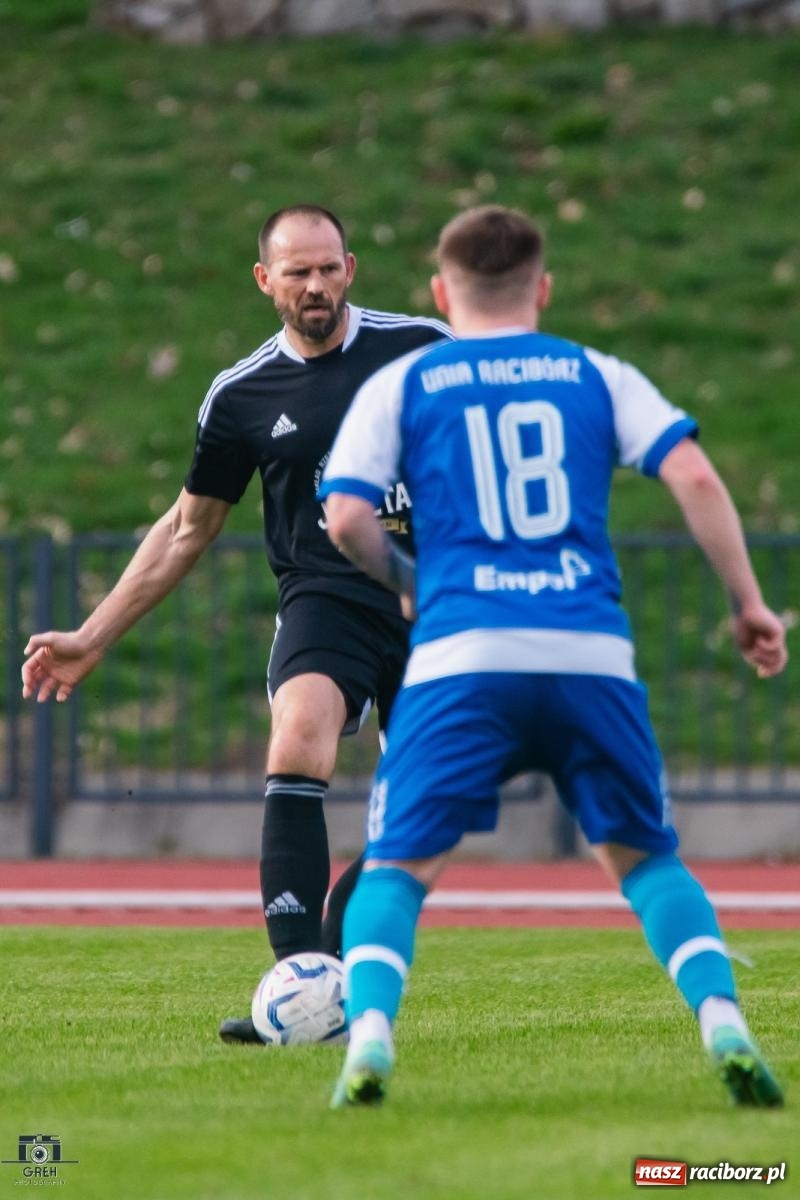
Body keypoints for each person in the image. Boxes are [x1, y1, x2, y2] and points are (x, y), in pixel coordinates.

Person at [318, 204, 787, 1109]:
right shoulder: (595, 374)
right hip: (586, 654)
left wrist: (408, 577)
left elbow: (344, 516)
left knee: (398, 868)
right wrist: (749, 604)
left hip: (463, 655)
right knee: (646, 861)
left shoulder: (407, 381)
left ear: (439, 293)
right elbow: (691, 473)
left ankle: (369, 1036)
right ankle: (721, 1019)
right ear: (542, 288)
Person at [21, 203, 450, 1044]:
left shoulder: (423, 349)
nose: (316, 285)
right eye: (297, 272)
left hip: (440, 602)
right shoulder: (243, 394)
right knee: (296, 736)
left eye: (329, 268)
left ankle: (330, 967)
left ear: (351, 268)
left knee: (427, 818)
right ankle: (294, 983)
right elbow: (188, 528)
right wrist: (92, 635)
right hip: (328, 599)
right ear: (266, 281)